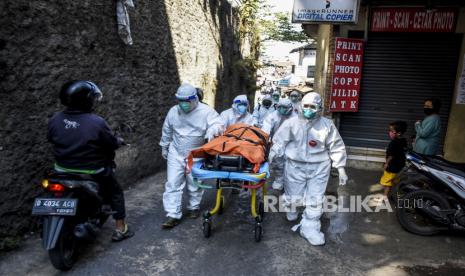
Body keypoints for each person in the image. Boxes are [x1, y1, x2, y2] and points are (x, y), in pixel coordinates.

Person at [47, 80, 133, 242]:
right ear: (86, 100)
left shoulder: (55, 119)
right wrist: (119, 141)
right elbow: (111, 143)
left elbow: (51, 138)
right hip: (92, 171)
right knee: (115, 191)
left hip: (62, 170)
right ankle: (121, 228)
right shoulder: (96, 122)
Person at [269, 92, 348, 246]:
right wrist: (272, 156)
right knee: (293, 194)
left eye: (313, 106)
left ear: (319, 108)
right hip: (295, 165)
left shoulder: (327, 125)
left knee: (315, 198)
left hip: (319, 167)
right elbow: (279, 141)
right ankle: (293, 208)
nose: (308, 109)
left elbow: (336, 146)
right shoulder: (291, 124)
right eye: (306, 106)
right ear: (300, 105)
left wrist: (341, 168)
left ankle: (310, 227)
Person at [159, 83, 224, 229]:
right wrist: (164, 146)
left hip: (196, 154)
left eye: (187, 101)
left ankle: (193, 206)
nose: (184, 104)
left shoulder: (206, 111)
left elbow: (218, 123)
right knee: (172, 183)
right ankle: (172, 214)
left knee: (194, 182)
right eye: (180, 101)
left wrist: (213, 130)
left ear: (195, 99)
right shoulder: (173, 112)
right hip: (175, 152)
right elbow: (167, 130)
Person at [262, 98, 297, 190]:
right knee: (277, 162)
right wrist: (267, 141)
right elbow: (266, 130)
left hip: (291, 143)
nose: (282, 109)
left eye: (284, 107)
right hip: (276, 142)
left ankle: (290, 181)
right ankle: (279, 180)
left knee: (291, 163)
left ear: (290, 107)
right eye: (280, 107)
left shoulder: (295, 118)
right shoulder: (272, 116)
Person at [378, 121, 408, 200]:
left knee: (387, 183)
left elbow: (391, 155)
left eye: (392, 131)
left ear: (398, 133)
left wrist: (386, 164)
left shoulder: (393, 143)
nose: (389, 133)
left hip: (392, 167)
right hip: (399, 166)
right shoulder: (403, 140)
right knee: (396, 182)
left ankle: (385, 196)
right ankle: (398, 196)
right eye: (389, 130)